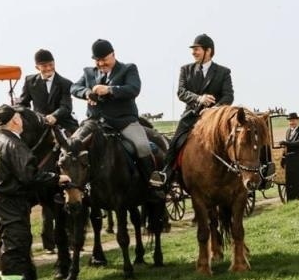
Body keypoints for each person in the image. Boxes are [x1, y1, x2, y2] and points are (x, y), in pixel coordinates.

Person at [0, 105, 62, 280]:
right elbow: (29, 176)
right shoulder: (15, 145)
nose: (23, 121)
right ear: (15, 121)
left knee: (7, 243)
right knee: (14, 244)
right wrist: (57, 178)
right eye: (20, 117)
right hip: (12, 200)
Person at [71, 39, 158, 185]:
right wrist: (86, 92)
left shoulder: (128, 69)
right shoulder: (88, 72)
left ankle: (154, 186)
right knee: (70, 146)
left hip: (123, 122)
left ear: (113, 54)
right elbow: (74, 88)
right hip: (95, 122)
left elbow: (133, 89)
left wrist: (110, 90)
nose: (101, 64)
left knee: (142, 146)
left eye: (104, 59)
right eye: (97, 61)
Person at [158, 33, 234, 188]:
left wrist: (214, 110)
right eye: (193, 49)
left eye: (197, 49)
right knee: (176, 142)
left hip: (216, 118)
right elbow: (181, 92)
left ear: (208, 51)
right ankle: (167, 172)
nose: (193, 52)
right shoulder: (185, 70)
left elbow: (228, 96)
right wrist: (199, 99)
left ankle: (247, 170)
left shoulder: (223, 72)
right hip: (191, 115)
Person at [16, 48, 78, 134]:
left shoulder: (66, 83)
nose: (49, 68)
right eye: (44, 66)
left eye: (51, 64)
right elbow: (23, 103)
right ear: (37, 67)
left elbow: (66, 106)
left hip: (62, 122)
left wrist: (54, 116)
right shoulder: (29, 81)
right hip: (39, 123)